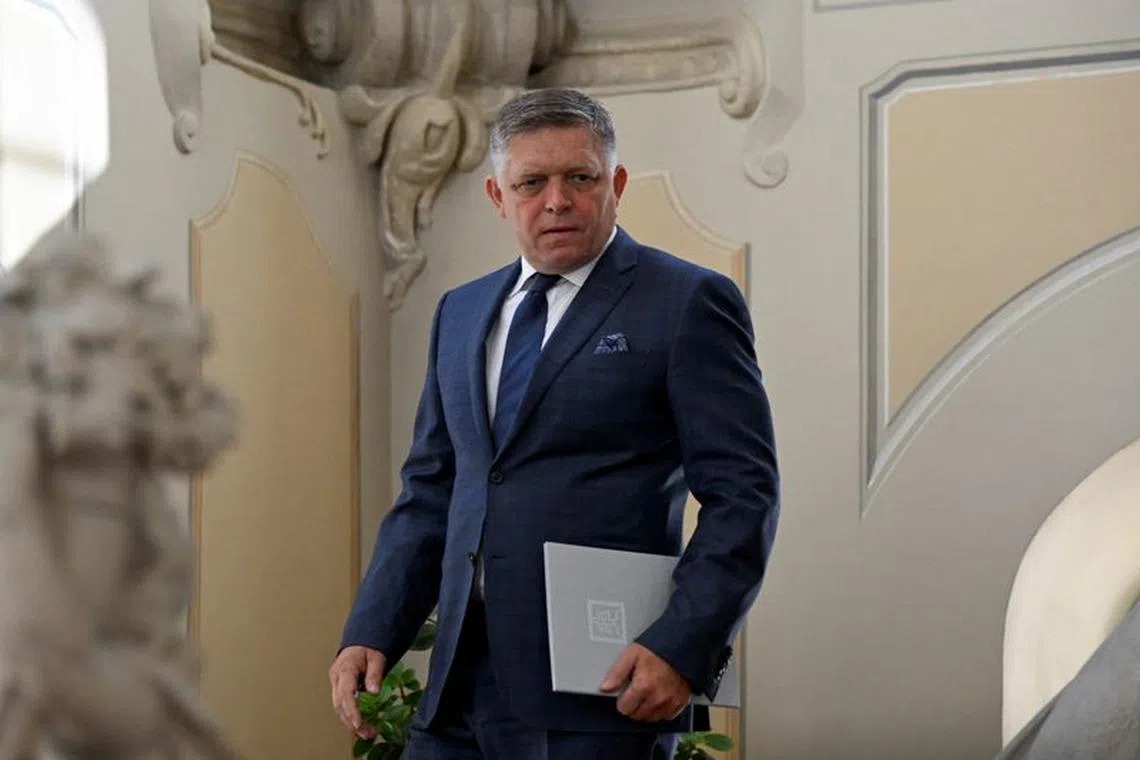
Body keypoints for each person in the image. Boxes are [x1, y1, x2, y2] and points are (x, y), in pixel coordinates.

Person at [329, 87, 780, 760]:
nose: (557, 201)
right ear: (498, 195)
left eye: (580, 178)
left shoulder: (687, 302)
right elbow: (432, 491)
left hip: (602, 688)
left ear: (616, 184)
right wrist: (372, 629)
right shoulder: (459, 313)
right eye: (532, 183)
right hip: (457, 688)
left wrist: (683, 645)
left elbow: (744, 494)